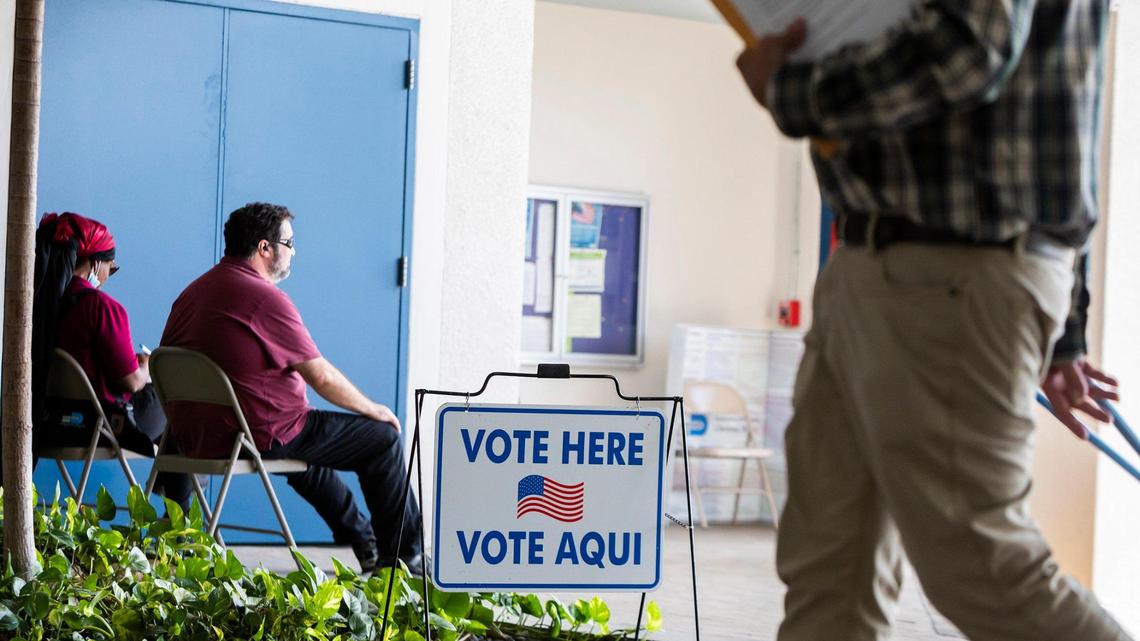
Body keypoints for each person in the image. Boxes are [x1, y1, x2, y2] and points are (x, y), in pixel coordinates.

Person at [735, 2, 1133, 640]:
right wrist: (1064, 332)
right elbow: (1056, 111)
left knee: (985, 573)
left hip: (947, 271)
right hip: (881, 263)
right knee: (830, 574)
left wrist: (791, 91)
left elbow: (969, 46)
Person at [159, 202, 422, 573]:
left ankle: (365, 543)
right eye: (289, 242)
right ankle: (406, 559)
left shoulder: (192, 293)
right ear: (265, 248)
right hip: (257, 435)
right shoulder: (264, 299)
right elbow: (322, 377)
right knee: (382, 440)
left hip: (196, 438)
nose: (293, 252)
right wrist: (374, 409)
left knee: (309, 461)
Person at [31, 212, 190, 503]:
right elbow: (129, 381)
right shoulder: (101, 307)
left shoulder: (40, 308)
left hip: (52, 424)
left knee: (175, 430)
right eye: (110, 268)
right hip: (100, 426)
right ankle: (179, 526)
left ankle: (176, 516)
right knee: (181, 408)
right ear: (95, 264)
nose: (108, 276)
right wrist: (146, 367)